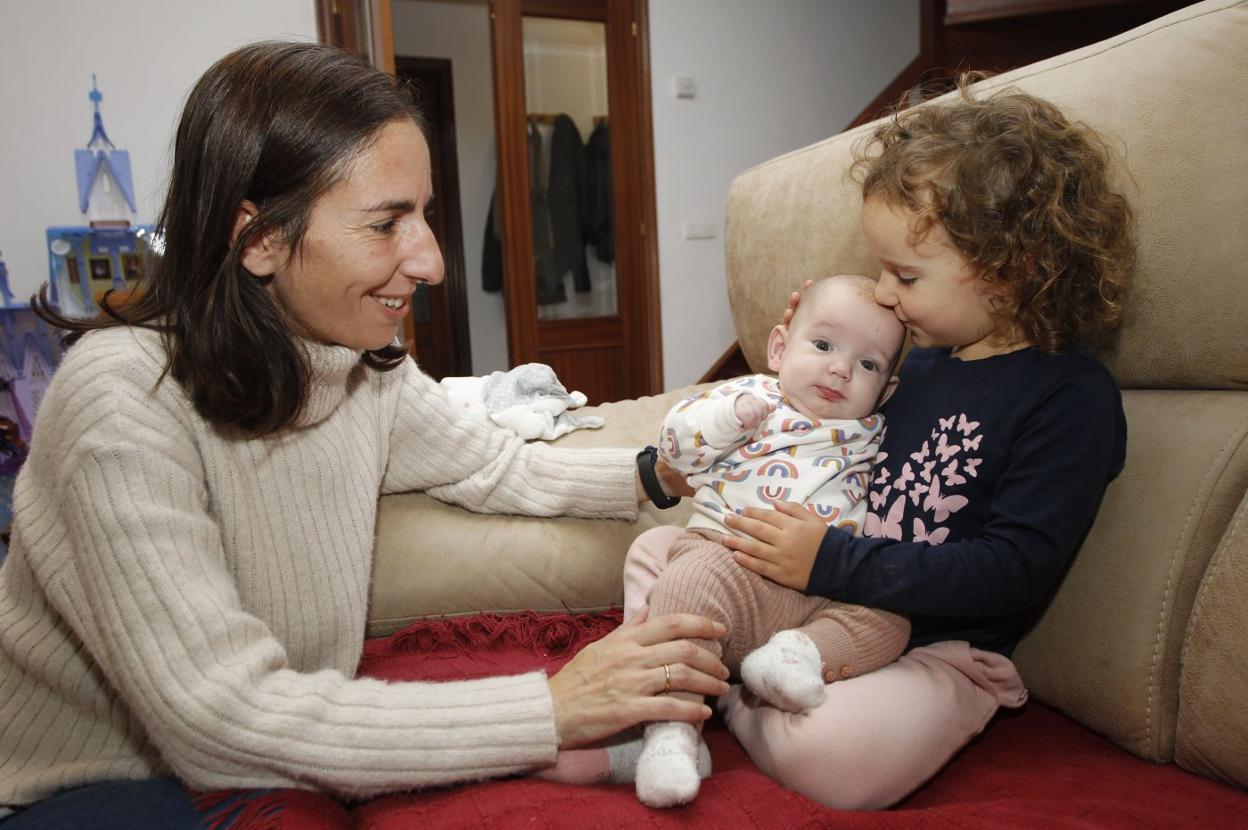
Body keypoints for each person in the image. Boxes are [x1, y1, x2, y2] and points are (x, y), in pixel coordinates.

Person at [0, 41, 729, 827]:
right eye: (387, 224)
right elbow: (217, 720)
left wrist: (662, 471)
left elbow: (493, 468)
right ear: (260, 240)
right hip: (95, 781)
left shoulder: (359, 368)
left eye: (424, 216)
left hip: (280, 752)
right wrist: (553, 708)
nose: (433, 262)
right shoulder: (121, 399)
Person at [621, 78, 1133, 810]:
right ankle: (705, 681)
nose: (886, 294)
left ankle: (711, 697)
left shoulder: (1069, 400)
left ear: (1008, 271)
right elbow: (808, 437)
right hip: (807, 603)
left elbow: (1013, 570)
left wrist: (833, 559)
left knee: (837, 757)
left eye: (905, 275)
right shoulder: (911, 365)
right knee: (657, 551)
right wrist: (819, 346)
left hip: (931, 646)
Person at [631, 275, 911, 807]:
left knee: (892, 619)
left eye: (868, 364)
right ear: (779, 348)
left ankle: (794, 658)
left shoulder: (875, 432)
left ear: (887, 391)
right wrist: (724, 420)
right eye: (823, 345)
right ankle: (670, 735)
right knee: (682, 586)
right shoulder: (753, 396)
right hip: (728, 562)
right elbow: (675, 447)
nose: (840, 369)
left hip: (820, 593)